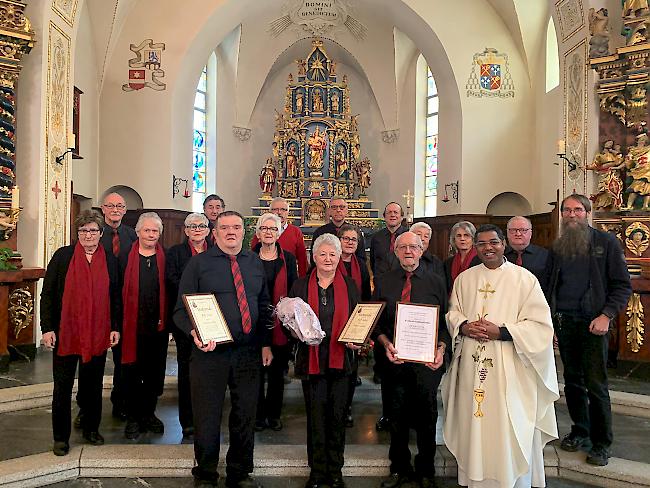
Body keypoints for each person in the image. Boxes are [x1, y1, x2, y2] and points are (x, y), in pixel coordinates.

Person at [443, 224, 559, 488]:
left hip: (511, 367)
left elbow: (541, 326)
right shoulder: (465, 279)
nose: (488, 248)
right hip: (473, 369)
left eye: (493, 242)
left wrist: (503, 332)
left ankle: (511, 479)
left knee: (507, 423)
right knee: (476, 423)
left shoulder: (524, 279)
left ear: (503, 243)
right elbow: (453, 313)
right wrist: (463, 326)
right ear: (475, 247)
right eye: (481, 244)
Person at [174, 210, 272, 488]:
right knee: (207, 415)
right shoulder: (198, 265)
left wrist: (265, 342)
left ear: (244, 232)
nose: (231, 232)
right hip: (210, 353)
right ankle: (206, 474)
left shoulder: (254, 263)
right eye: (224, 227)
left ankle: (239, 472)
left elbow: (263, 306)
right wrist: (195, 332)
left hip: (248, 353)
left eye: (237, 227)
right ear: (214, 233)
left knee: (245, 414)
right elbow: (181, 311)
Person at [542, 194, 632, 467]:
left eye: (577, 210)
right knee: (572, 382)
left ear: (587, 213)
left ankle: (601, 443)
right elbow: (549, 288)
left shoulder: (606, 242)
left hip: (594, 325)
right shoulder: (557, 247)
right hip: (565, 324)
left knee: (596, 385)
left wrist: (606, 315)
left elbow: (622, 286)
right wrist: (550, 324)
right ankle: (580, 431)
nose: (571, 214)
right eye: (566, 210)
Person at [40, 210, 121, 456]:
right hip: (66, 332)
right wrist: (47, 328)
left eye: (93, 230)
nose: (88, 235)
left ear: (100, 233)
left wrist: (115, 326)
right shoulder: (62, 257)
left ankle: (90, 429)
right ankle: (60, 438)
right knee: (62, 388)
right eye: (83, 231)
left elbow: (115, 297)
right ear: (77, 234)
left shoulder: (109, 259)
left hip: (97, 332)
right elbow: (48, 295)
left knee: (92, 387)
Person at [373, 231, 449, 488]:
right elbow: (376, 324)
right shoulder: (383, 282)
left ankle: (426, 469)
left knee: (427, 416)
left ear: (421, 250)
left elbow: (446, 324)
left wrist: (441, 348)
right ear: (395, 251)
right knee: (396, 416)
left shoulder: (437, 281)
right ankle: (399, 468)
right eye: (403, 247)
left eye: (414, 247)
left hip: (426, 363)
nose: (408, 251)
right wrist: (385, 345)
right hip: (394, 361)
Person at [289, 233, 360, 488]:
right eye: (323, 254)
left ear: (339, 256)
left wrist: (359, 338)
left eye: (333, 254)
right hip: (312, 361)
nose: (328, 259)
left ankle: (335, 469)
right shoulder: (299, 286)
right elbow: (290, 322)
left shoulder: (350, 285)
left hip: (343, 362)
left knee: (338, 417)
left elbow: (359, 319)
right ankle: (317, 471)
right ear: (313, 257)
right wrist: (296, 331)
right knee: (316, 417)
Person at [121, 212, 168, 440]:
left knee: (153, 373)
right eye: (147, 230)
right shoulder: (124, 258)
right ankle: (132, 417)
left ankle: (149, 414)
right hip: (130, 327)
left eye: (155, 231)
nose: (151, 234)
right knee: (131, 373)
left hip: (157, 328)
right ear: (138, 232)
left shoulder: (165, 257)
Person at [165, 212, 211, 437]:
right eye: (192, 226)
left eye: (201, 226)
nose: (197, 229)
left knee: (210, 371)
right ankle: (188, 422)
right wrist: (195, 290)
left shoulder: (215, 252)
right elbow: (171, 279)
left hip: (211, 318)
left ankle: (208, 418)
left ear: (208, 230)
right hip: (185, 318)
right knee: (186, 371)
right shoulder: (175, 253)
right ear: (185, 230)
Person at [252, 213, 297, 432]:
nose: (269, 232)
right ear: (258, 232)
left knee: (278, 372)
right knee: (256, 373)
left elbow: (293, 287)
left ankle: (274, 414)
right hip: (254, 321)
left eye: (273, 229)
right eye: (265, 228)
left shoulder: (287, 259)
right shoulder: (248, 257)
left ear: (279, 233)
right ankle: (258, 415)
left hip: (281, 322)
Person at [98, 191, 137, 421]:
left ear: (124, 210)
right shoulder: (94, 233)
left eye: (119, 206)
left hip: (124, 304)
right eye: (110, 205)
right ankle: (86, 406)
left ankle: (120, 402)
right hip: (100, 302)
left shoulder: (132, 236)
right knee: (94, 358)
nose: (115, 210)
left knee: (123, 358)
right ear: (103, 209)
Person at [337, 224, 371, 428]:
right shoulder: (330, 259)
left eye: (353, 240)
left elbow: (366, 295)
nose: (349, 243)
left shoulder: (360, 264)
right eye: (346, 239)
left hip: (356, 320)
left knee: (351, 369)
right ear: (338, 240)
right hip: (334, 320)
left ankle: (347, 407)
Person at [251, 197, 308, 277]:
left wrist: (303, 281)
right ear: (270, 212)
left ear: (288, 212)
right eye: (275, 209)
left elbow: (302, 260)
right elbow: (253, 256)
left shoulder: (296, 232)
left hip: (288, 276)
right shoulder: (262, 232)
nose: (279, 212)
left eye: (283, 209)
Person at [311, 197, 366, 268]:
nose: (338, 210)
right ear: (329, 211)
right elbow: (314, 258)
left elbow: (361, 256)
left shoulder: (355, 232)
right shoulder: (320, 232)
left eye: (342, 207)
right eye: (334, 207)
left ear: (347, 210)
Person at [370, 202, 408, 279]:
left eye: (396, 212)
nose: (392, 215)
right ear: (384, 217)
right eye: (389, 212)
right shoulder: (376, 237)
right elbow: (373, 261)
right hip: (381, 280)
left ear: (401, 217)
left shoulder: (409, 236)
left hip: (403, 280)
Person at [504, 216, 548, 281]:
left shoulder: (544, 255)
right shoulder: (499, 255)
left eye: (523, 230)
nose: (518, 234)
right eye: (513, 230)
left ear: (530, 233)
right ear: (507, 232)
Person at [443, 221, 481, 292]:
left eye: (466, 235)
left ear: (473, 239)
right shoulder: (448, 263)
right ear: (454, 239)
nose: (462, 239)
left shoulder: (481, 261)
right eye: (459, 236)